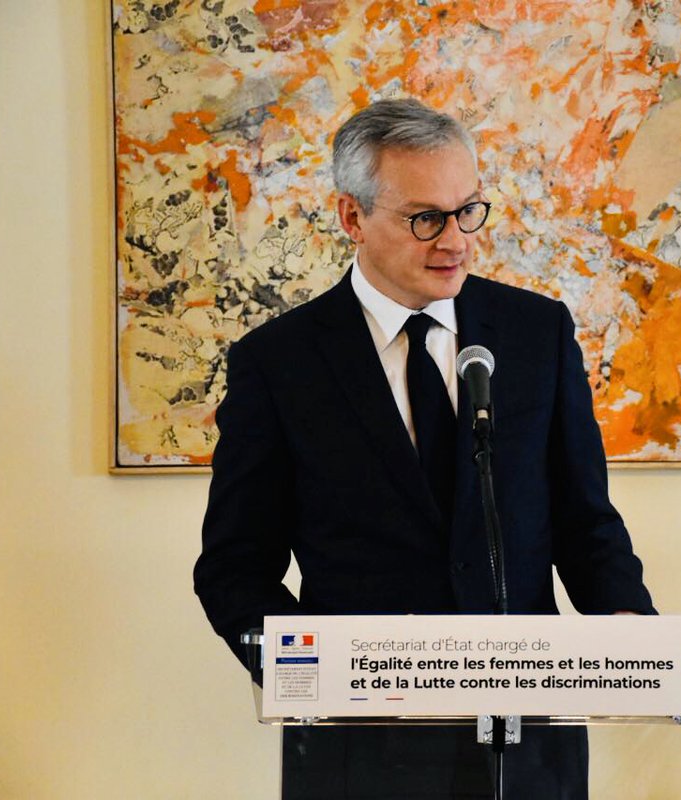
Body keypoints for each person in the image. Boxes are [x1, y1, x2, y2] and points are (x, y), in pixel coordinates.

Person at [193, 98, 655, 799]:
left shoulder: (535, 333)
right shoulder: (279, 363)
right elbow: (234, 566)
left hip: (527, 742)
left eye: (468, 209)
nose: (456, 241)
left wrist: (630, 633)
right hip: (360, 752)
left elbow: (583, 519)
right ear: (352, 218)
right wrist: (319, 675)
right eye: (425, 219)